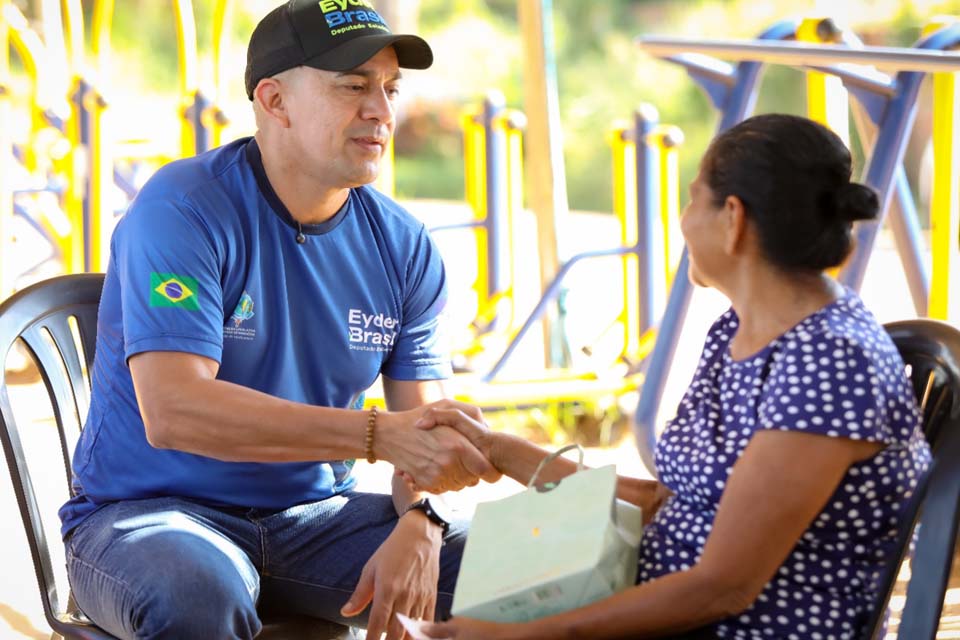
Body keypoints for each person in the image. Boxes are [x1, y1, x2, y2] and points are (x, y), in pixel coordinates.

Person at [58, 2, 500, 639]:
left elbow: (426, 433)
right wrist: (375, 435)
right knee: (197, 594)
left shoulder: (404, 245)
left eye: (390, 88)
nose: (381, 110)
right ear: (274, 100)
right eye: (353, 86)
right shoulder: (182, 209)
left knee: (526, 570)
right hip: (148, 517)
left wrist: (422, 520)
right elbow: (175, 410)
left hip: (317, 519)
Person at [413, 114, 932, 640]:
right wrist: (499, 450)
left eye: (692, 199)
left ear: (733, 219)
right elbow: (663, 501)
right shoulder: (737, 331)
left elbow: (724, 588)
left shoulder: (830, 363)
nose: (683, 221)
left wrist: (517, 636)